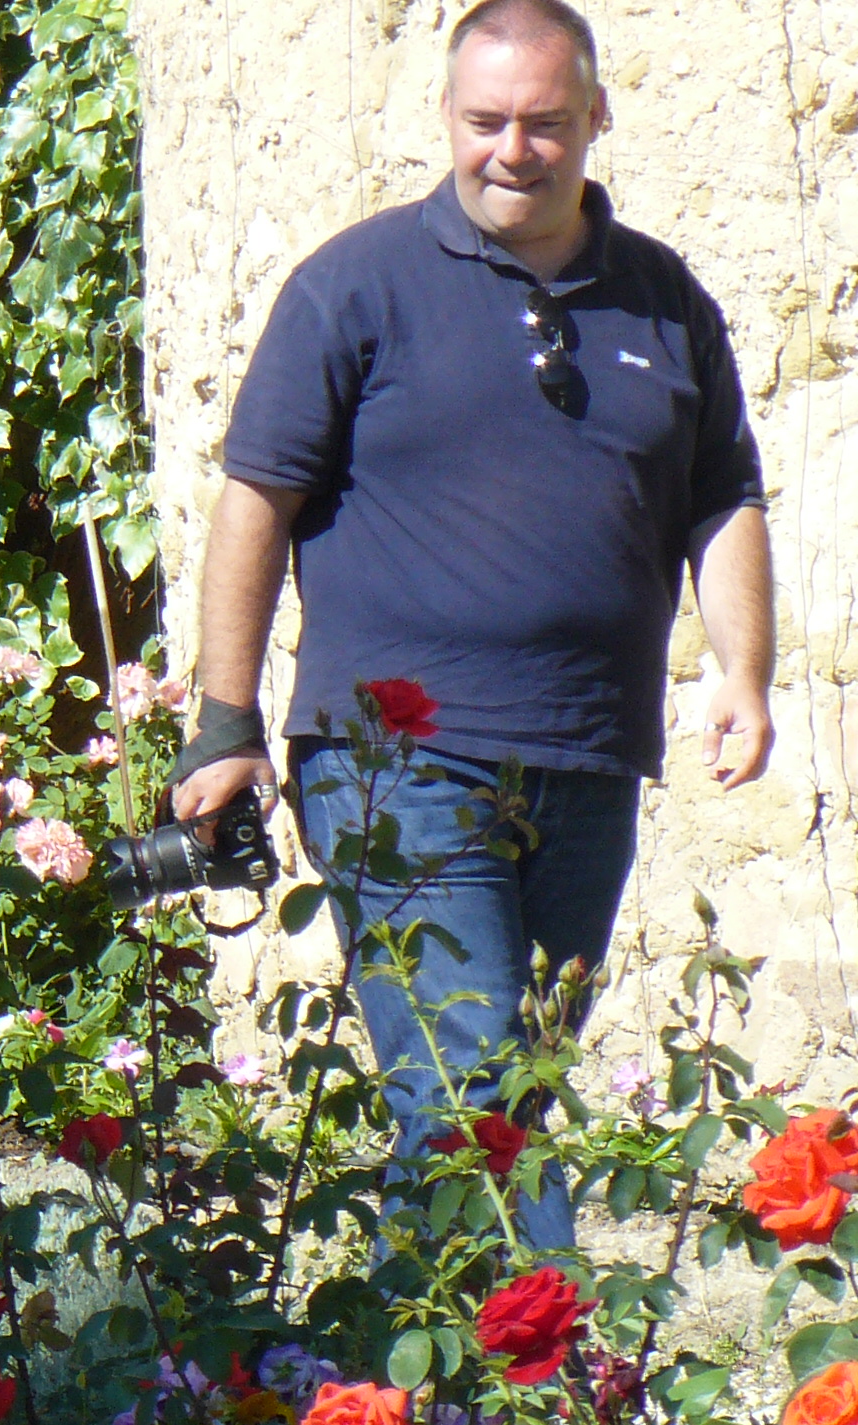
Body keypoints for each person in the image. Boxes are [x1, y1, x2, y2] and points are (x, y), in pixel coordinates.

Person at [173, 0, 772, 1249]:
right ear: (446, 117)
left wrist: (744, 669)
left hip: (587, 756)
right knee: (474, 1092)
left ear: (597, 117)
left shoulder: (666, 301)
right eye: (486, 120)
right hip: (395, 764)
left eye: (545, 123)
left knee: (515, 1092)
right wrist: (225, 722)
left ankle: (416, 1364)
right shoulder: (357, 285)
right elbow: (256, 502)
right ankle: (550, 1367)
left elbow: (722, 499)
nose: (513, 150)